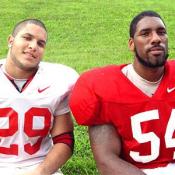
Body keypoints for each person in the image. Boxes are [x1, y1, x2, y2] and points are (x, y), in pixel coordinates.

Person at [69, 10, 175, 175]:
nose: (156, 38)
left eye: (161, 32)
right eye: (145, 34)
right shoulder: (104, 87)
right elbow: (106, 160)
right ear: (131, 44)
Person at [0, 19, 78, 175]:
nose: (33, 46)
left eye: (40, 43)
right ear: (11, 40)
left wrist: (40, 172)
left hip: (39, 165)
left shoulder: (58, 79)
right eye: (27, 38)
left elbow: (64, 139)